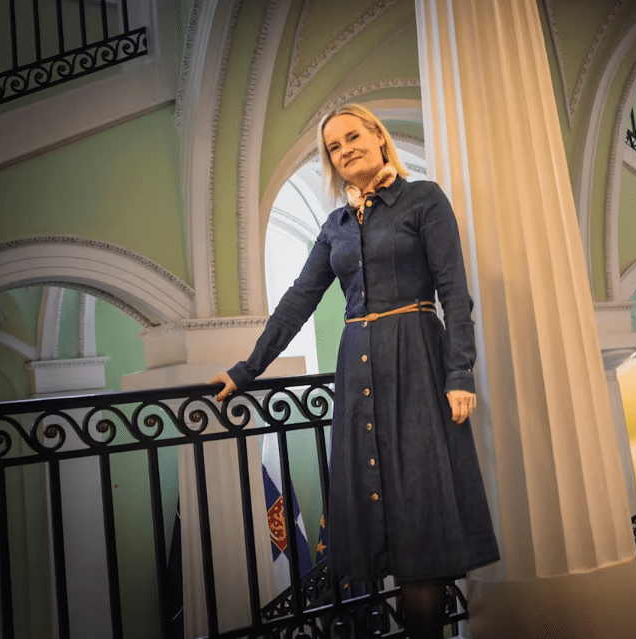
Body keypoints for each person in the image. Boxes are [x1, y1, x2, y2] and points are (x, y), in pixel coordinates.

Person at [209, 104, 499, 639]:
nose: (345, 150)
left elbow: (455, 293)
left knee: (420, 512)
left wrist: (460, 374)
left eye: (352, 137)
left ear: (378, 137)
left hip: (417, 361)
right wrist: (246, 371)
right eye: (334, 147)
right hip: (357, 371)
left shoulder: (423, 199)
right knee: (374, 506)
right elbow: (298, 300)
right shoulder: (335, 226)